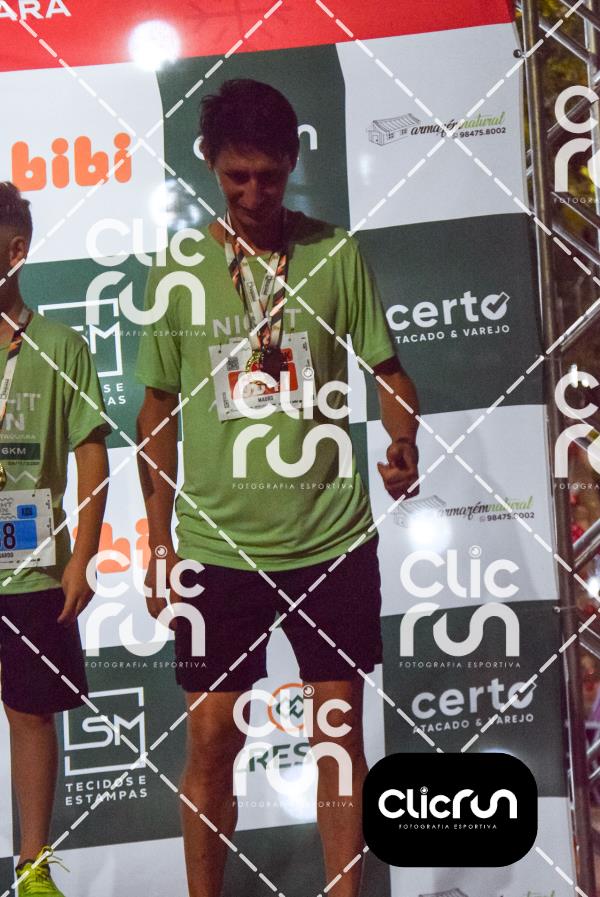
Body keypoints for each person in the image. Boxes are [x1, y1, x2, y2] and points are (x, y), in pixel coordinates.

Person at [135, 79, 420, 897]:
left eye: (269, 175)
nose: (255, 193)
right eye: (237, 176)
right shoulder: (178, 269)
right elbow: (156, 410)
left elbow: (390, 373)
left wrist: (402, 440)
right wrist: (158, 540)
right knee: (211, 739)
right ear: (210, 166)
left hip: (332, 536)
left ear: (294, 162)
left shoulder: (335, 254)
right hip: (218, 547)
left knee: (338, 737)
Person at [0, 183, 110, 897]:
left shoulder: (63, 345)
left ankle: (33, 868)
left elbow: (92, 454)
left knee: (31, 713)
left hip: (33, 565)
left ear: (15, 252)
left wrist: (84, 556)